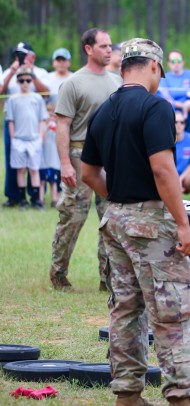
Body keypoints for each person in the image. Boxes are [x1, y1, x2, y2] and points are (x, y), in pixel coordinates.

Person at [80, 37, 190, 406]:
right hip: (150, 224)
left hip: (114, 221)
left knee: (125, 310)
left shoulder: (103, 110)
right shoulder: (154, 106)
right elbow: (163, 170)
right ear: (155, 67)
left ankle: (126, 398)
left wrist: (120, 198)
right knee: (172, 309)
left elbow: (87, 173)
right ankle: (182, 401)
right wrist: (182, 223)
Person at [49, 28, 121, 292]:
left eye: (110, 46)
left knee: (111, 218)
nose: (109, 50)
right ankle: (58, 274)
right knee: (73, 217)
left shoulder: (116, 82)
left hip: (110, 157)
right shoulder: (73, 83)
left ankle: (108, 278)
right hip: (80, 155)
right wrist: (65, 163)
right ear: (88, 49)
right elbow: (63, 125)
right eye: (103, 46)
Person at [2, 41, 50, 208]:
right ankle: (14, 196)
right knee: (13, 160)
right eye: (17, 55)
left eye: (23, 55)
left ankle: (35, 196)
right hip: (14, 122)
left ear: (32, 56)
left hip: (34, 124)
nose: (20, 58)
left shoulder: (40, 72)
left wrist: (32, 74)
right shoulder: (10, 72)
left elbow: (46, 91)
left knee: (34, 163)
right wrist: (12, 72)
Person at [157, 49, 190, 133]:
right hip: (173, 117)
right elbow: (166, 98)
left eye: (179, 60)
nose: (176, 64)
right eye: (173, 61)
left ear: (183, 62)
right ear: (168, 63)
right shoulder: (164, 78)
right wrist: (183, 106)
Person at [39, 101, 61, 208]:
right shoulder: (42, 126)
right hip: (43, 161)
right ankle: (40, 201)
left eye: (53, 115)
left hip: (54, 161)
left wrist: (55, 128)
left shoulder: (59, 128)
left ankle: (54, 200)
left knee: (54, 182)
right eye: (49, 114)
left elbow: (60, 141)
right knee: (41, 181)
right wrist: (47, 127)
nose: (51, 117)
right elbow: (42, 140)